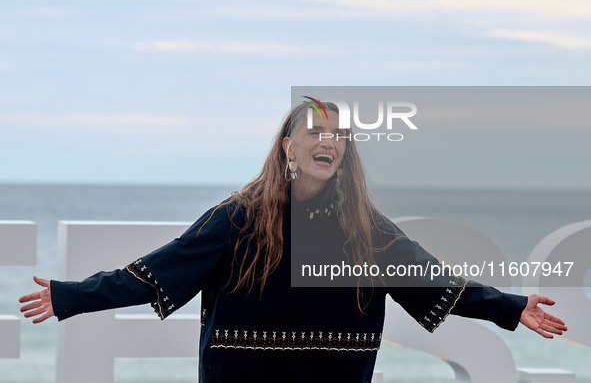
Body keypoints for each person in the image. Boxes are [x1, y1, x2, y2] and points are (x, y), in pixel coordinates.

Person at [20, 102, 567, 382]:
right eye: (316, 132)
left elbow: (432, 280)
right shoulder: (235, 218)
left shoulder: (366, 229)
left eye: (339, 137)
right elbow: (164, 270)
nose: (328, 142)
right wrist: (71, 296)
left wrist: (512, 307)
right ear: (288, 146)